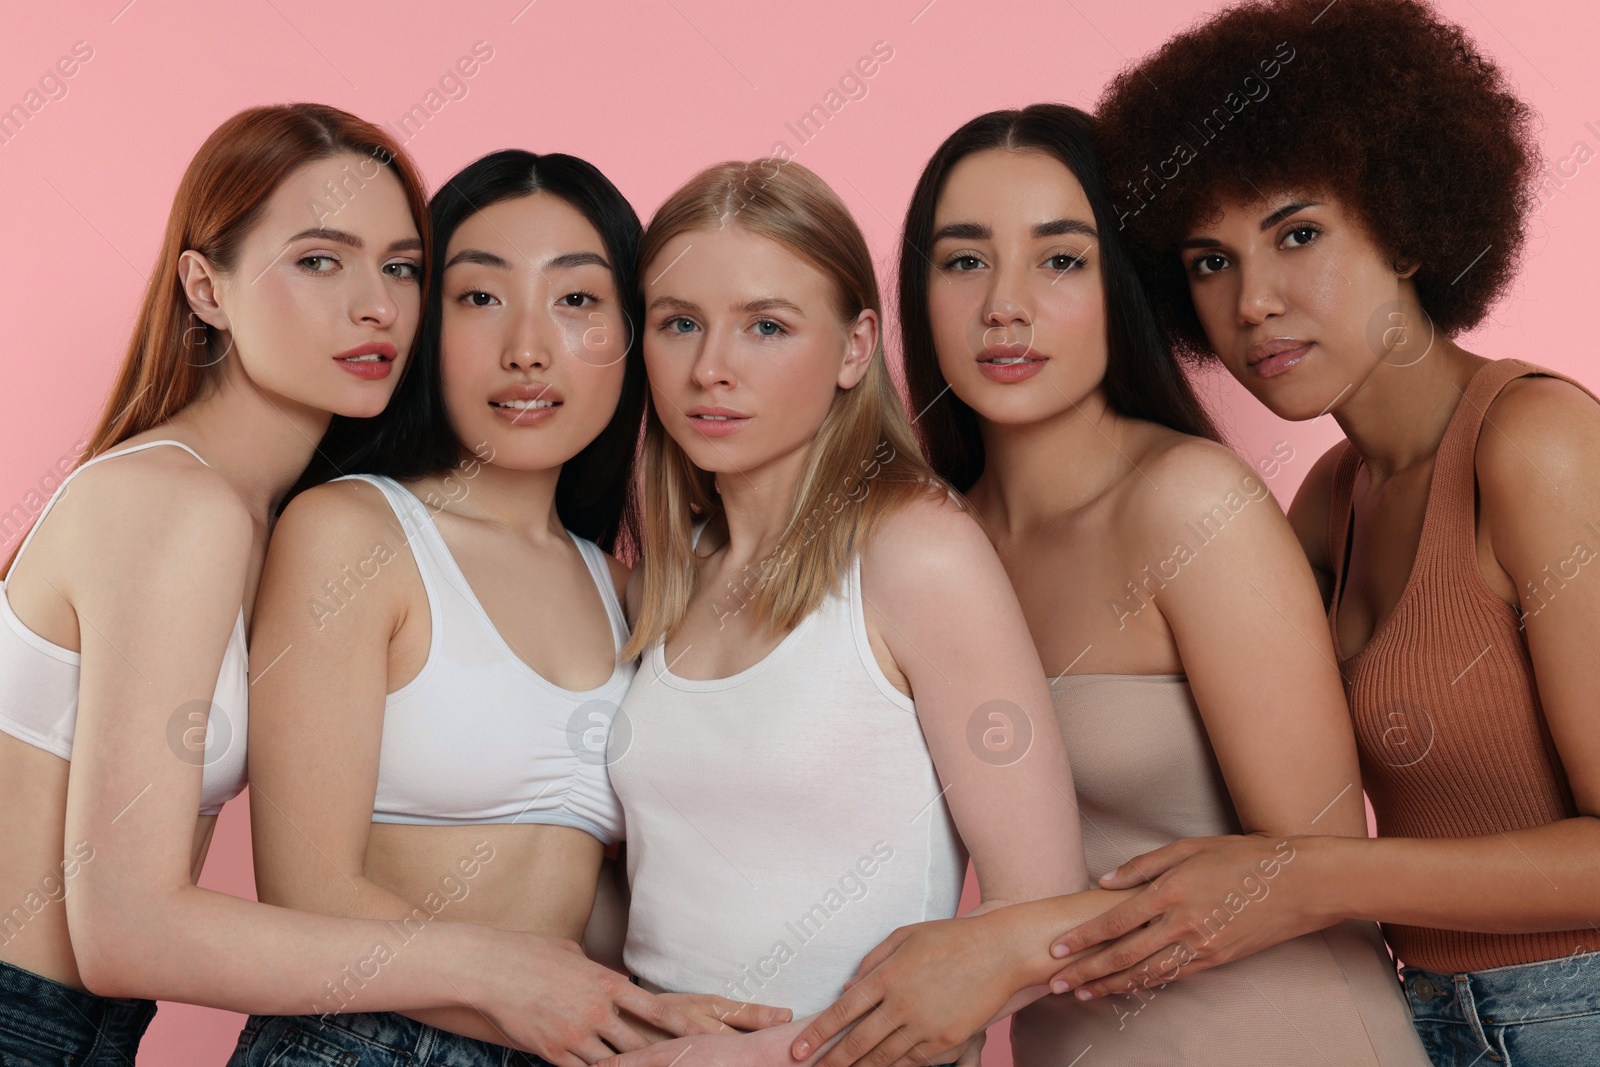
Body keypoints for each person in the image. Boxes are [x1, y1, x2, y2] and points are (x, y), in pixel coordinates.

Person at [0, 104, 698, 1067]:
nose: (375, 306)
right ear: (205, 287)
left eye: (400, 268)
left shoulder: (255, 512)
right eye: (320, 261)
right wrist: (506, 973)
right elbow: (124, 925)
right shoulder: (178, 504)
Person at [789, 103, 1430, 1067]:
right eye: (964, 261)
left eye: (1060, 259)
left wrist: (1010, 947)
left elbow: (1310, 867)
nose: (1006, 305)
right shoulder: (923, 546)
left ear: (1122, 285)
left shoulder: (1189, 504)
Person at [1049, 1, 1600, 1062]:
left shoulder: (1535, 444)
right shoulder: (1329, 497)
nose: (1252, 299)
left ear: (1401, 225)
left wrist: (1308, 876)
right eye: (1209, 261)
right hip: (1422, 1020)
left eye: (1297, 234)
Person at [228, 149, 783, 1067]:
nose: (527, 347)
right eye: (478, 297)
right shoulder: (354, 534)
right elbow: (306, 891)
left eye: (576, 301)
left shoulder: (624, 589)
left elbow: (586, 901)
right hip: (361, 1044)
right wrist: (542, 993)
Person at [595, 157, 1091, 1067]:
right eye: (679, 324)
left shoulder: (917, 553)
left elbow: (1042, 916)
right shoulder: (669, 576)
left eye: (767, 326)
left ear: (856, 347)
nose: (712, 368)